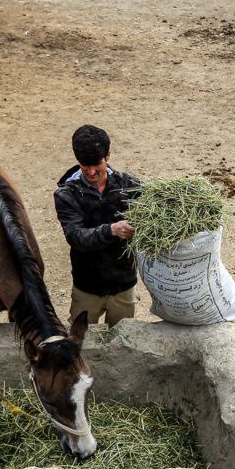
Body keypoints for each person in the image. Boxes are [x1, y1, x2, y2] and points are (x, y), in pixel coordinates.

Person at [54, 125, 140, 325]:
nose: (91, 172)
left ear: (107, 156)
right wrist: (112, 230)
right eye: (85, 166)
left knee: (122, 340)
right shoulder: (67, 195)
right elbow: (76, 237)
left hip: (123, 285)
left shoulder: (130, 186)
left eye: (96, 165)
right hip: (87, 288)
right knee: (79, 341)